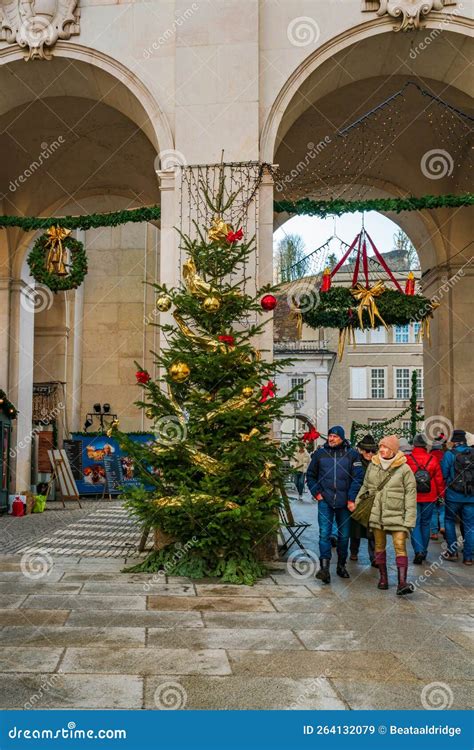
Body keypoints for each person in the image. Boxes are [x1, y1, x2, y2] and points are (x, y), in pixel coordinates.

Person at [354, 435, 417, 595]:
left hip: (398, 515)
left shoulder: (404, 469)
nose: (382, 450)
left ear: (394, 450)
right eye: (381, 447)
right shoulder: (373, 465)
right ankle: (383, 579)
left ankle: (402, 582)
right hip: (377, 513)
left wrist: (409, 519)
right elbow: (365, 486)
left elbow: (411, 495)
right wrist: (357, 503)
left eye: (386, 447)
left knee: (400, 546)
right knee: (379, 547)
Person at [307, 425, 363, 583]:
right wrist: (316, 493)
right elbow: (310, 475)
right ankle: (324, 569)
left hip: (345, 503)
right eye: (330, 435)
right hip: (325, 500)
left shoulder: (352, 455)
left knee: (344, 536)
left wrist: (351, 498)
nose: (331, 439)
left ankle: (341, 565)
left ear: (342, 438)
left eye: (335, 436)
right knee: (324, 534)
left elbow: (358, 478)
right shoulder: (320, 454)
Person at [406, 434, 445, 564]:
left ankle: (418, 550)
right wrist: (441, 495)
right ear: (425, 445)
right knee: (426, 524)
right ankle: (424, 551)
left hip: (413, 496)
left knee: (414, 524)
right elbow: (439, 479)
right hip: (430, 495)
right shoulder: (432, 459)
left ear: (414, 445)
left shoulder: (408, 459)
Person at [441, 429, 474, 565]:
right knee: (470, 526)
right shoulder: (473, 453)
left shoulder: (450, 454)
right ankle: (468, 557)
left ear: (453, 442)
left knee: (449, 521)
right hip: (471, 496)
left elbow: (444, 474)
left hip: (453, 495)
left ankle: (452, 552)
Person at [349, 434, 378, 566]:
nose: (370, 453)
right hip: (358, 500)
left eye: (373, 451)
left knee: (372, 530)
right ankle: (354, 552)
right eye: (367, 451)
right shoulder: (355, 462)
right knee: (356, 530)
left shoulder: (378, 463)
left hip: (373, 501)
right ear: (361, 450)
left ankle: (374, 557)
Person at [430, 436, 447, 540]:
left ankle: (434, 532)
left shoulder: (430, 456)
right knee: (442, 509)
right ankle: (443, 527)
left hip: (432, 488)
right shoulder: (444, 455)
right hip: (443, 486)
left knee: (433, 511)